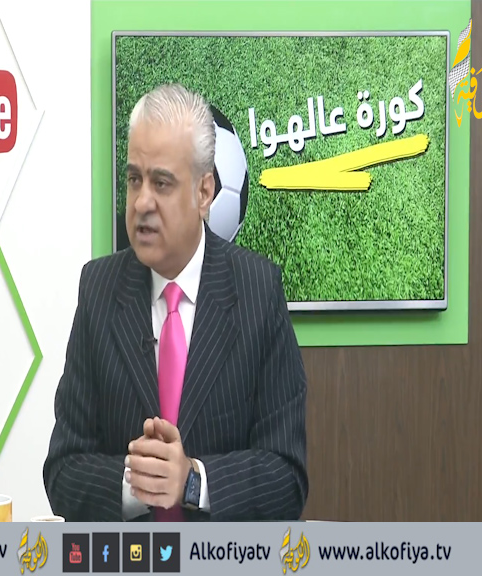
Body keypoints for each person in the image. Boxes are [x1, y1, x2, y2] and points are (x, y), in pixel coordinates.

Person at [43, 83, 308, 521]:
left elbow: (287, 477)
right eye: (134, 180)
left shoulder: (258, 290)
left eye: (161, 183)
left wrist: (192, 481)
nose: (142, 203)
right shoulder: (99, 290)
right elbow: (62, 471)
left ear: (204, 193)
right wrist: (138, 484)